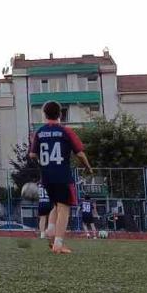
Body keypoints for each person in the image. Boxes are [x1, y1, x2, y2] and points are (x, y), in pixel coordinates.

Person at [28, 101, 93, 254]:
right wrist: (88, 167)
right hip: (62, 175)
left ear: (44, 114)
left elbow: (31, 154)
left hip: (46, 177)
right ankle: (58, 244)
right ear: (60, 114)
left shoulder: (39, 132)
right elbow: (80, 153)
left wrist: (43, 163)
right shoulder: (66, 131)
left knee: (56, 205)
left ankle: (51, 229)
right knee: (64, 208)